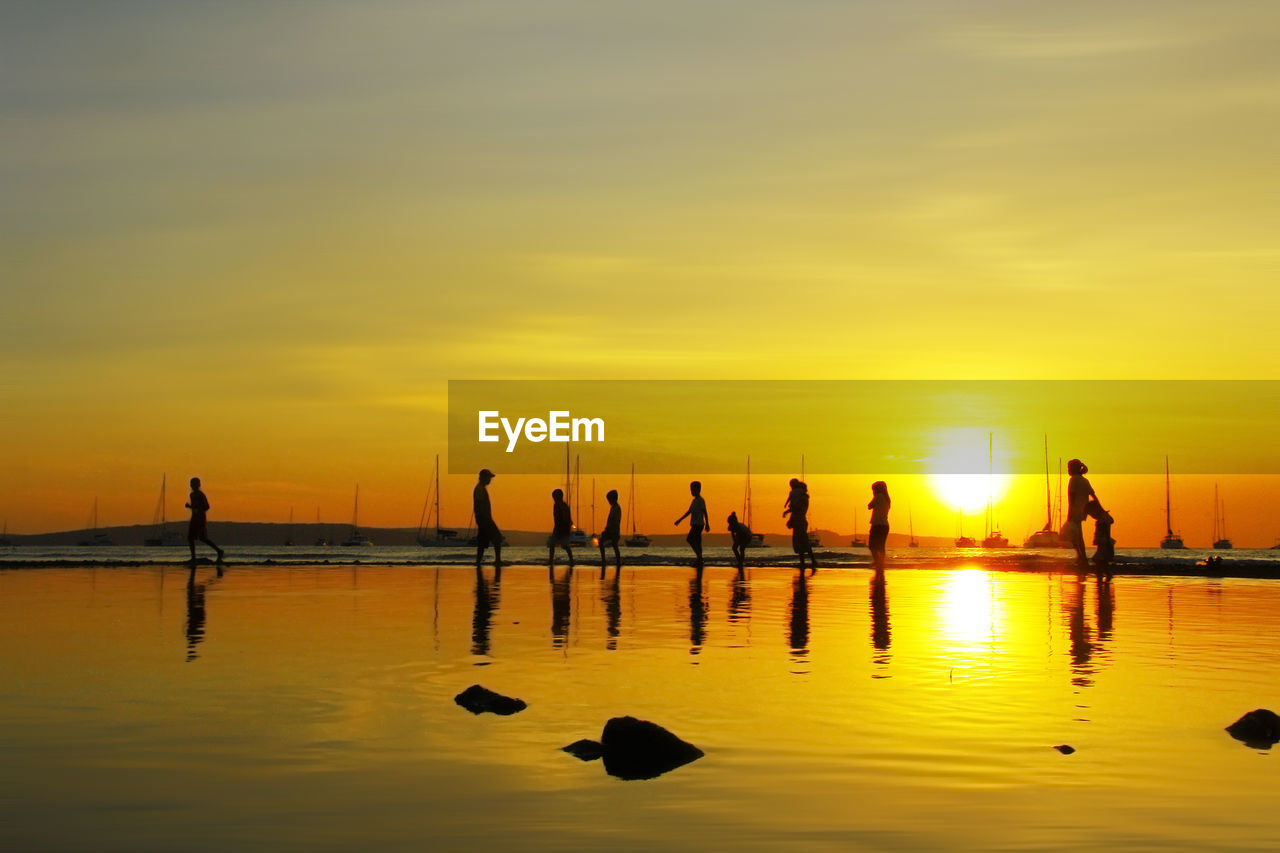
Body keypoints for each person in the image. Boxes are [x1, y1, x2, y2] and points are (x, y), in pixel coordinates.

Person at [1065, 459, 1103, 566]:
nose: (1068, 470)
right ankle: (1082, 557)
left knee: (1073, 536)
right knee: (1078, 535)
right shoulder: (1085, 480)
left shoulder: (1073, 480)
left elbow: (1071, 499)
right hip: (1083, 511)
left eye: (1069, 467)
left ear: (1074, 468)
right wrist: (1101, 509)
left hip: (1075, 510)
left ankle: (1082, 557)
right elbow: (1093, 496)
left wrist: (1069, 514)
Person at [185, 477, 224, 564]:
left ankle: (219, 551)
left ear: (198, 485)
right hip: (194, 518)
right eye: (191, 484)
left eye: (193, 484)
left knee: (203, 538)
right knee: (190, 537)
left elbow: (206, 506)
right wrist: (190, 507)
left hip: (200, 518)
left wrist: (196, 508)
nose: (192, 486)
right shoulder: (191, 495)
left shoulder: (201, 495)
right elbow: (194, 507)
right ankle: (193, 558)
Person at [783, 478, 817, 573]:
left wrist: (790, 511)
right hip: (798, 521)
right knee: (799, 543)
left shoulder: (803, 497)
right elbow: (794, 507)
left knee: (804, 542)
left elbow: (799, 508)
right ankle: (803, 562)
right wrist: (788, 511)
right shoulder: (800, 497)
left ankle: (813, 561)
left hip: (801, 522)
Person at [674, 481, 710, 568]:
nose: (691, 492)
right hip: (694, 524)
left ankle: (700, 558)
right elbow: (689, 511)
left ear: (698, 490)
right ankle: (699, 560)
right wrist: (680, 520)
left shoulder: (701, 500)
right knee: (697, 542)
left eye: (692, 490)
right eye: (691, 490)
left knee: (690, 539)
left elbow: (705, 512)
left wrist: (707, 524)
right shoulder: (694, 501)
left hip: (699, 524)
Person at [473, 469, 503, 569]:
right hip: (484, 519)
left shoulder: (480, 488)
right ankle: (498, 561)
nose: (490, 480)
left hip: (482, 518)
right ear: (484, 478)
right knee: (497, 538)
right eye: (489, 478)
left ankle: (478, 562)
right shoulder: (479, 489)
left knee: (482, 542)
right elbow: (479, 505)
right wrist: (486, 519)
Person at [1087, 498, 1115, 577]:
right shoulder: (1102, 518)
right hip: (1103, 542)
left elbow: (1106, 528)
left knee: (1099, 560)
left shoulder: (1103, 519)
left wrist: (1108, 542)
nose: (1092, 516)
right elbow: (1111, 521)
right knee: (1101, 560)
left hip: (1104, 542)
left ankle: (1104, 574)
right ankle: (1105, 574)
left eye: (1091, 514)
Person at [867, 480, 890, 570]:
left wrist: (874, 497)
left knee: (872, 546)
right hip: (884, 525)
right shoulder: (887, 498)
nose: (873, 491)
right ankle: (881, 563)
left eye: (874, 489)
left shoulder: (878, 496)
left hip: (877, 524)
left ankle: (877, 562)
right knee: (881, 546)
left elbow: (869, 506)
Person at [549, 488, 575, 567]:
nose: (554, 499)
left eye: (555, 497)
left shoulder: (564, 506)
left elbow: (566, 519)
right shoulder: (555, 505)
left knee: (565, 545)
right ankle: (551, 561)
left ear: (559, 497)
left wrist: (566, 527)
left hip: (564, 529)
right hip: (557, 528)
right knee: (552, 544)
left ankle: (571, 560)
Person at [599, 489, 622, 571]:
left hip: (614, 531)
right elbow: (610, 520)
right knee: (609, 544)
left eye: (609, 499)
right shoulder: (613, 508)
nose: (608, 501)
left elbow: (614, 521)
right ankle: (605, 560)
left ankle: (615, 561)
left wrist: (608, 530)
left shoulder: (616, 508)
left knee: (613, 545)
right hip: (611, 531)